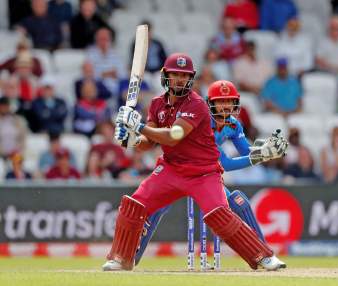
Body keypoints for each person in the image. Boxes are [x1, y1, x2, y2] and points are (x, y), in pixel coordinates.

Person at [102, 53, 288, 271]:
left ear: (191, 78)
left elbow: (174, 135)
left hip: (204, 172)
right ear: (166, 76)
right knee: (134, 205)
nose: (180, 80)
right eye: (176, 75)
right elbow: (149, 142)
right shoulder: (156, 104)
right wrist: (131, 139)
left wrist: (139, 126)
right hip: (170, 169)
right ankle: (121, 258)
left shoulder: (197, 104)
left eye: (185, 75)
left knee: (220, 215)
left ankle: (263, 256)